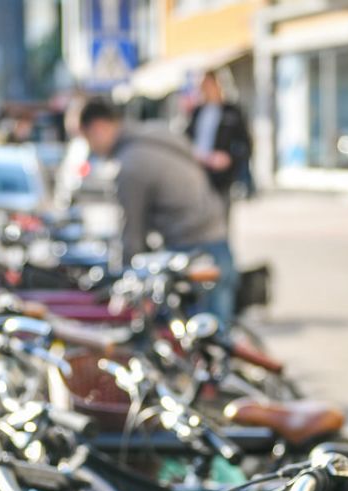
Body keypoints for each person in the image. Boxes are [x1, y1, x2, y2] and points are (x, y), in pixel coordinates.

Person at [76, 97, 237, 324]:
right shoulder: (156, 131)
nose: (90, 148)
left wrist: (123, 275)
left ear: (99, 128)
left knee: (202, 334)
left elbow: (132, 231)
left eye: (87, 139)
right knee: (217, 330)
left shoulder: (131, 164)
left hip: (191, 245)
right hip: (216, 232)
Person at [184, 70, 251, 220]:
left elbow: (245, 144)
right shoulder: (197, 112)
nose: (205, 89)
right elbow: (186, 139)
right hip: (197, 172)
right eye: (202, 86)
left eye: (209, 85)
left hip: (221, 177)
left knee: (220, 220)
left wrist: (229, 159)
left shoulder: (232, 112)